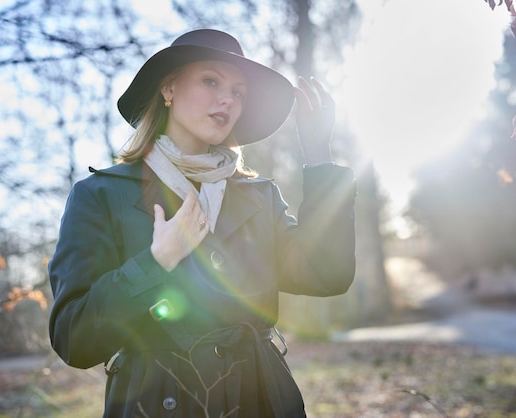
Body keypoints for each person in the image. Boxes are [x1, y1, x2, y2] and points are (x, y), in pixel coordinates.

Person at [48, 28, 356, 418]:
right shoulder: (101, 195)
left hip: (260, 398)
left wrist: (319, 158)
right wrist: (155, 262)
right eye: (210, 80)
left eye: (239, 92)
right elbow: (74, 339)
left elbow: (326, 274)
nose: (227, 98)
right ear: (169, 89)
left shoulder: (258, 197)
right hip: (155, 403)